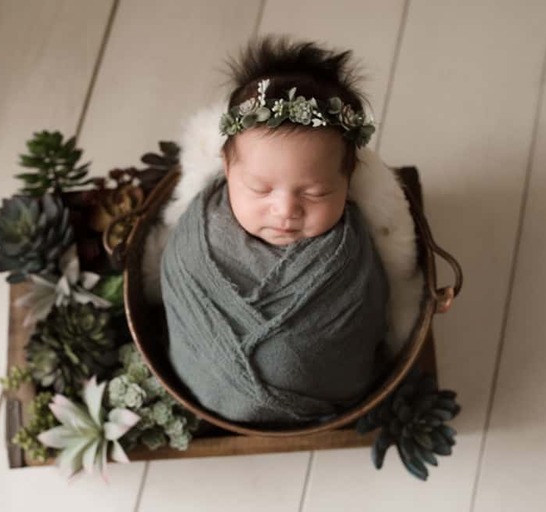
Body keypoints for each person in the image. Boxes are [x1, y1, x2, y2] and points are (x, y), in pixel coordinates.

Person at [159, 37, 398, 426]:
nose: (286, 210)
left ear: (348, 179)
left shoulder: (351, 255)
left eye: (315, 192)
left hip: (332, 395)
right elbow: (175, 292)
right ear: (227, 168)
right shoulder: (196, 237)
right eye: (260, 189)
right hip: (198, 394)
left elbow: (373, 315)